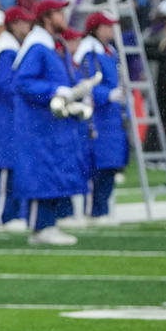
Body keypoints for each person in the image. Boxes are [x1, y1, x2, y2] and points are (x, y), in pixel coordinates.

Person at [10, 0, 91, 245]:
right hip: (38, 125)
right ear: (47, 17)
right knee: (41, 174)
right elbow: (23, 83)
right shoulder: (38, 46)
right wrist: (57, 90)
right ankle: (40, 227)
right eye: (58, 12)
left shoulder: (54, 45)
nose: (63, 15)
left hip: (52, 124)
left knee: (52, 172)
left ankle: (49, 224)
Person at [74, 13, 129, 221]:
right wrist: (108, 95)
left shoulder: (110, 52)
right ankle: (94, 210)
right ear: (96, 28)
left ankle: (103, 209)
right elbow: (85, 84)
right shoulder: (90, 51)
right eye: (107, 26)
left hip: (112, 117)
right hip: (97, 118)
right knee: (97, 165)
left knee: (110, 166)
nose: (112, 30)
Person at [0, 6, 34, 226]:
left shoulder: (11, 45)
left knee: (14, 164)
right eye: (23, 22)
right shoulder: (7, 48)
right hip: (8, 116)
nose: (27, 27)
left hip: (12, 114)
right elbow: (5, 85)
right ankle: (4, 215)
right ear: (14, 24)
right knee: (8, 165)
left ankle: (12, 214)